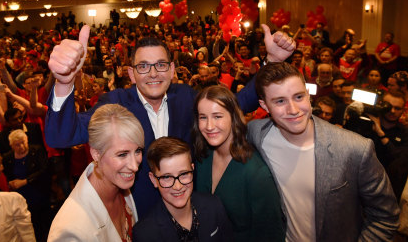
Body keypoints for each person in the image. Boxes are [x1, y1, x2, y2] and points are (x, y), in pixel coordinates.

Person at [46, 24, 295, 217]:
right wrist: (64, 81)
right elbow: (62, 136)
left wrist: (272, 62)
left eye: (161, 65)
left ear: (173, 70)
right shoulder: (116, 103)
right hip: (139, 221)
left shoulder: (186, 97)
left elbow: (233, 105)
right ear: (131, 74)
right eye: (143, 66)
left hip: (190, 214)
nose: (153, 73)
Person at [247, 62, 399, 241]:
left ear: (308, 94)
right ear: (264, 106)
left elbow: (386, 217)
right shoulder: (256, 133)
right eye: (280, 101)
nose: (293, 110)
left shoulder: (355, 148)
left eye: (298, 97)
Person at [192, 85, 285, 241]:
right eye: (203, 117)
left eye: (217, 116)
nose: (209, 126)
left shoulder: (256, 173)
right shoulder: (203, 157)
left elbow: (271, 234)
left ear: (233, 117)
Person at [48, 104, 144, 241]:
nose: (135, 166)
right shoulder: (71, 230)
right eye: (122, 154)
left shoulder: (122, 188)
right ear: (96, 154)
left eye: (138, 151)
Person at [133, 136, 232, 241]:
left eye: (184, 174)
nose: (178, 186)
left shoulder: (214, 205)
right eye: (167, 177)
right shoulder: (144, 234)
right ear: (153, 180)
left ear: (192, 170)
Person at [2, 129, 49, 241]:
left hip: (38, 192)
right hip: (20, 198)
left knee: (43, 223)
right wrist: (9, 183)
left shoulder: (36, 150)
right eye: (17, 145)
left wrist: (25, 181)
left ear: (27, 140)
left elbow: (44, 171)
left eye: (23, 142)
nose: (21, 146)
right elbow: (7, 175)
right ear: (11, 146)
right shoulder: (7, 158)